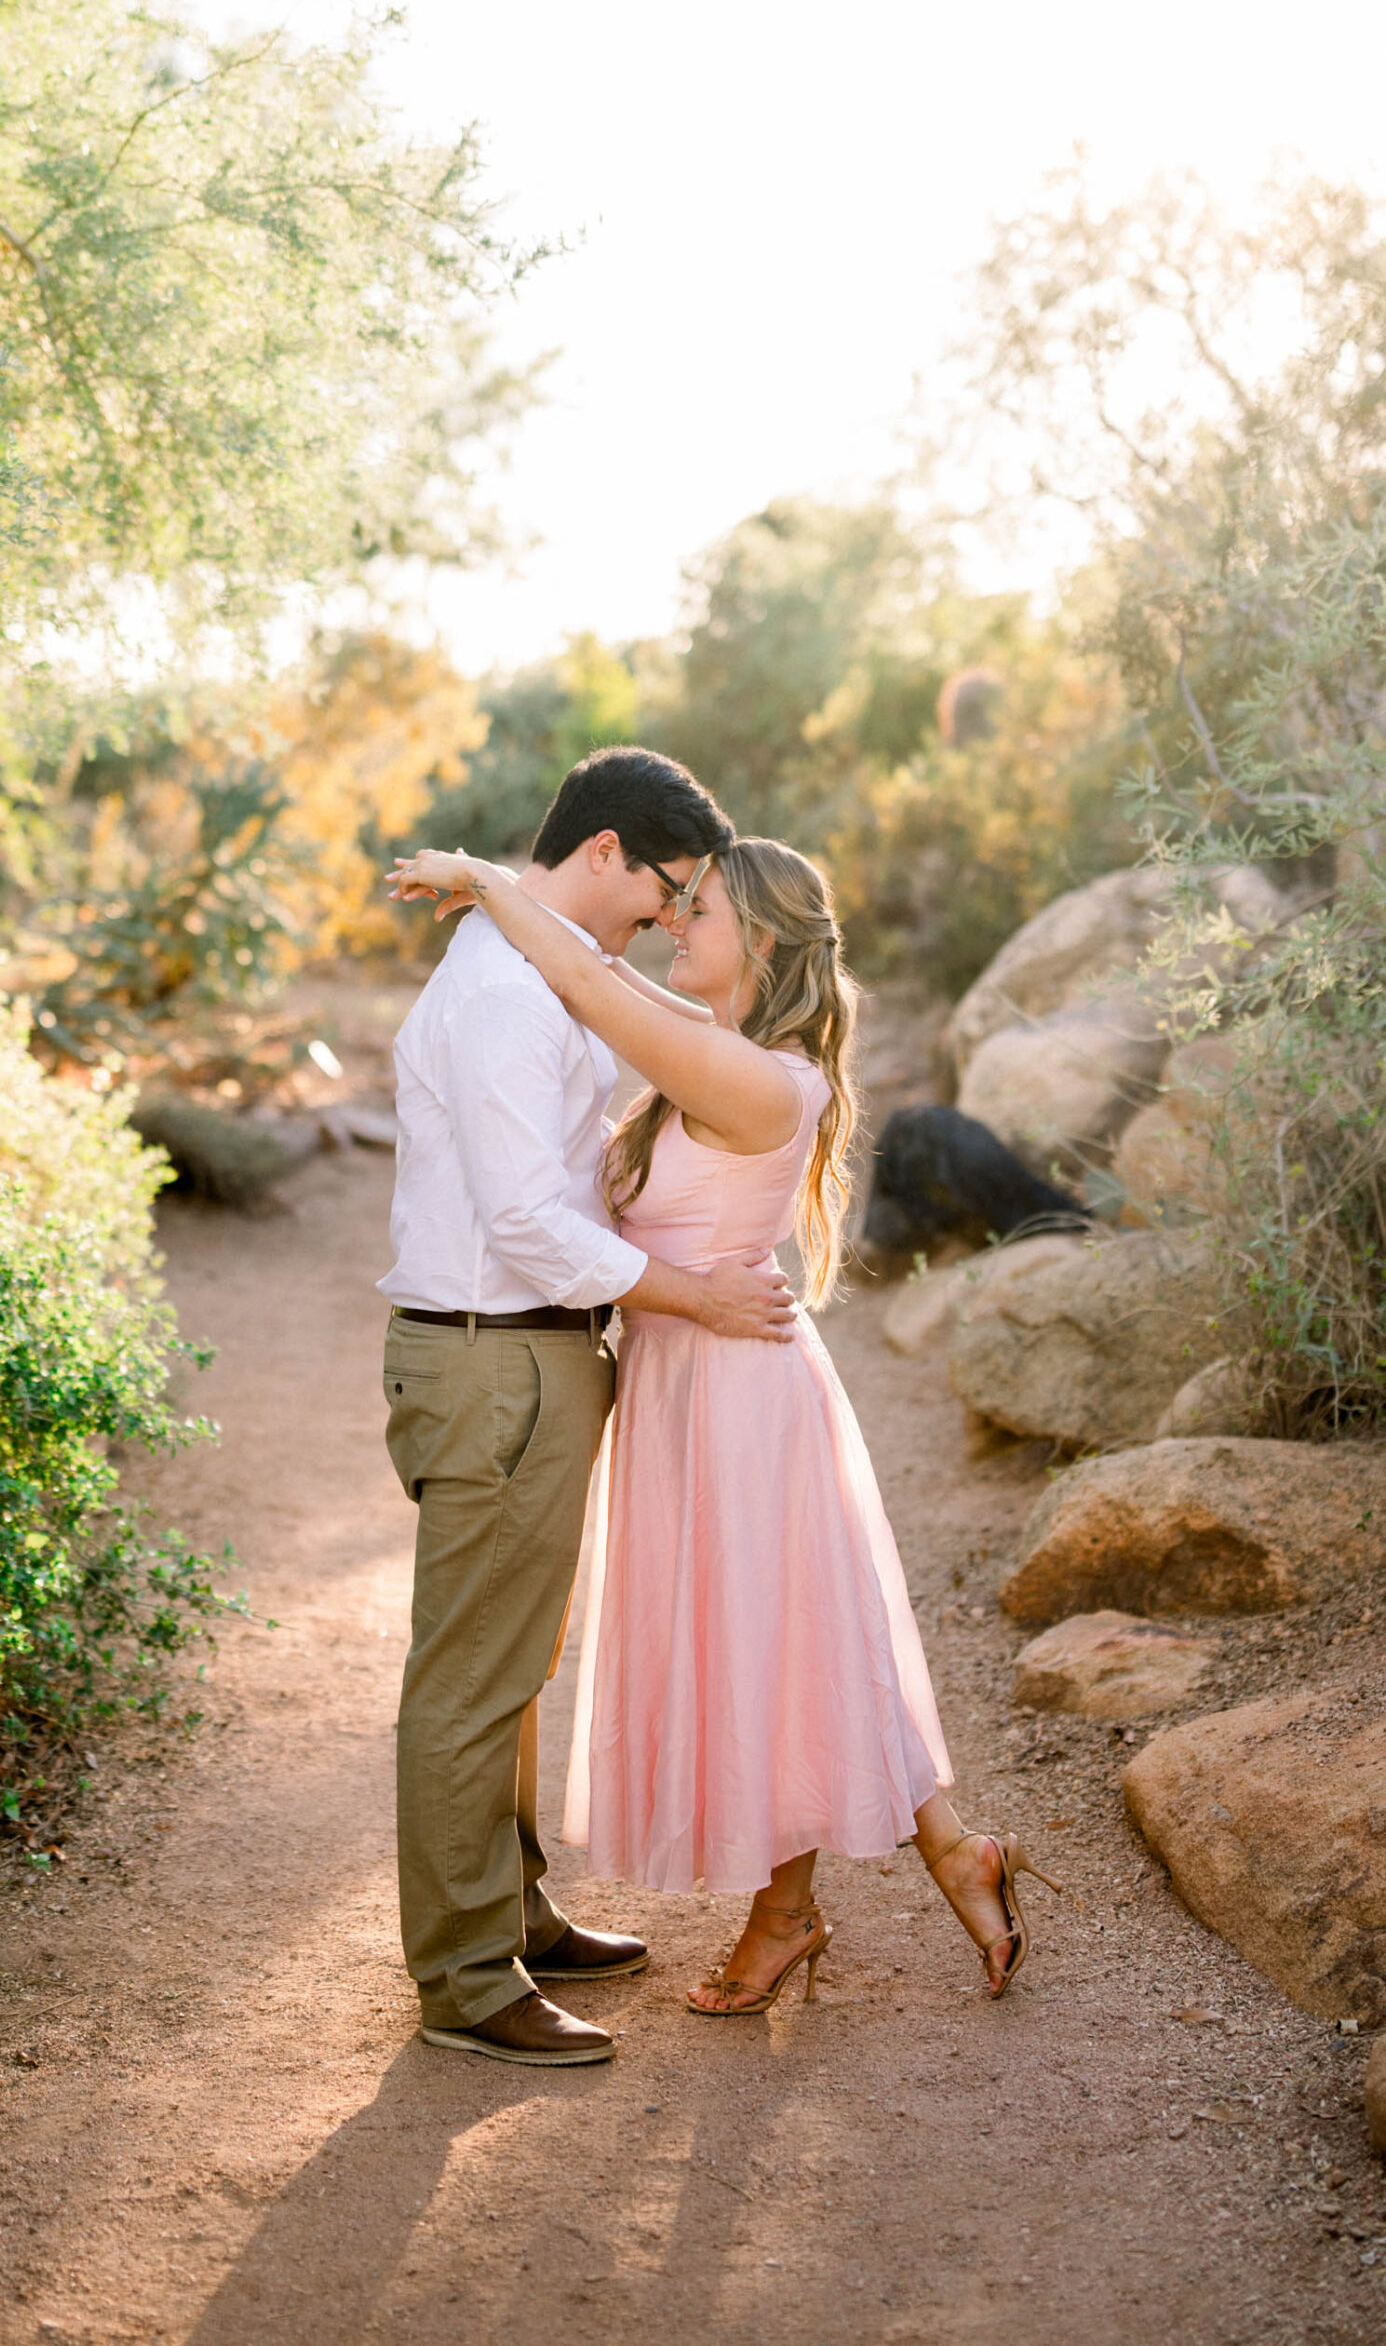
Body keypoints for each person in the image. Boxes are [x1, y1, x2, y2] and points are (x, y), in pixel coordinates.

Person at [388, 831, 1061, 2019]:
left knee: (772, 1643)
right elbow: (603, 986)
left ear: (755, 937)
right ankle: (950, 1852)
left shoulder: (760, 1078)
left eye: (693, 907)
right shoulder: (716, 1044)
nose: (669, 923)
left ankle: (789, 1910)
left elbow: (588, 983)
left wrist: (493, 881)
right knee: (796, 1636)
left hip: (736, 1387)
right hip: (681, 1375)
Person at [379, 749, 801, 2070]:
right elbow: (522, 1222)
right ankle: (464, 1977)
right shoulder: (506, 994)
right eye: (671, 891)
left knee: (513, 1661)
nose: (673, 921)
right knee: (473, 1675)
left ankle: (511, 1911)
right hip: (495, 1352)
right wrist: (691, 1295)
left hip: (524, 1356)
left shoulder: (536, 965)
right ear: (611, 852)